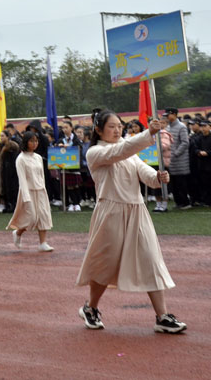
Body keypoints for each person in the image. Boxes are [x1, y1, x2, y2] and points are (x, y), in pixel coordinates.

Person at [76, 111, 186, 334]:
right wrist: (149, 133)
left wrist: (158, 177)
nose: (117, 130)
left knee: (150, 259)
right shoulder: (95, 152)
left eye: (119, 126)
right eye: (112, 126)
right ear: (98, 130)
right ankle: (91, 307)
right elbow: (120, 151)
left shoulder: (128, 149)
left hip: (137, 211)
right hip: (111, 213)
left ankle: (162, 316)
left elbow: (144, 173)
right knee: (105, 264)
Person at [6, 131, 54, 252]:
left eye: (36, 141)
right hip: (28, 191)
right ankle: (18, 232)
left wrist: (44, 189)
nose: (34, 143)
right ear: (26, 142)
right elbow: (22, 179)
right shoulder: (21, 159)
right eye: (31, 141)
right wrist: (26, 197)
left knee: (43, 215)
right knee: (31, 217)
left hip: (40, 190)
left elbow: (41, 175)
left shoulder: (38, 157)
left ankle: (43, 243)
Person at [164, 108, 191, 210]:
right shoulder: (168, 128)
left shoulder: (181, 127)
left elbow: (185, 142)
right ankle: (178, 202)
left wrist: (175, 153)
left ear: (174, 114)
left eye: (168, 115)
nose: (167, 117)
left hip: (180, 160)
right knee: (174, 183)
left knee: (181, 183)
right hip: (171, 161)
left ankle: (185, 202)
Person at [58, 121, 84, 212]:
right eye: (63, 128)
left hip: (74, 166)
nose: (64, 129)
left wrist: (68, 147)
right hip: (65, 166)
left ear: (71, 128)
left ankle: (77, 203)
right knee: (68, 186)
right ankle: (71, 204)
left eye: (66, 127)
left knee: (75, 185)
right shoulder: (61, 140)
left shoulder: (76, 140)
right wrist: (58, 146)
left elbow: (79, 149)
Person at [194, 121, 211, 206]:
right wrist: (199, 152)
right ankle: (205, 200)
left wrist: (207, 153)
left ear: (209, 127)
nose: (203, 128)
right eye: (202, 126)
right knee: (204, 183)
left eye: (205, 126)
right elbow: (195, 148)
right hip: (201, 165)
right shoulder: (198, 138)